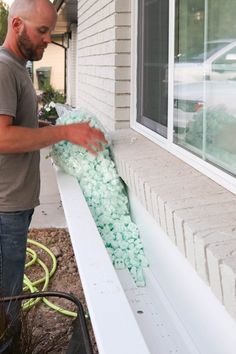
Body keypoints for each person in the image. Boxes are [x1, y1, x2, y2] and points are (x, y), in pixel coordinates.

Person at [0, 0, 107, 351]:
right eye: (42, 30)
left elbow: (20, 126)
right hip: (4, 209)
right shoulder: (3, 69)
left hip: (14, 204)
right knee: (4, 295)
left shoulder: (17, 68)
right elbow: (3, 137)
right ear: (16, 25)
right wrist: (65, 133)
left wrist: (50, 126)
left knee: (10, 286)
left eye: (50, 31)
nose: (48, 39)